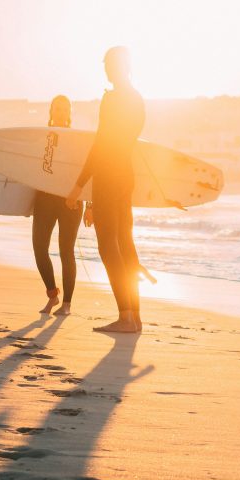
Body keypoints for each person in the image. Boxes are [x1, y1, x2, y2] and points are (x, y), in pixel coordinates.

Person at [69, 48, 145, 333]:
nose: (108, 70)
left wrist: (79, 186)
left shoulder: (112, 99)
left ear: (120, 66)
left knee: (107, 244)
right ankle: (135, 316)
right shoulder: (137, 99)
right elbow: (127, 141)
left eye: (110, 65)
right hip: (126, 174)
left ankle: (125, 316)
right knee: (125, 242)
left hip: (108, 175)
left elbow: (101, 143)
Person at [32, 95, 84, 316]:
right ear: (51, 111)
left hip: (70, 200)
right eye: (57, 108)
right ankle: (53, 296)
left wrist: (90, 204)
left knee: (66, 252)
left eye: (65, 109)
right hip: (44, 197)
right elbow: (30, 167)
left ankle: (67, 304)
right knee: (39, 248)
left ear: (69, 113)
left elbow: (87, 171)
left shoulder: (78, 139)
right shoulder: (41, 137)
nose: (61, 112)